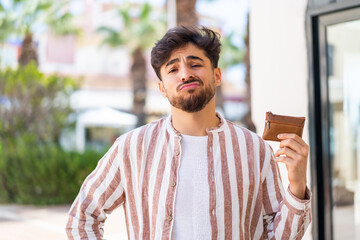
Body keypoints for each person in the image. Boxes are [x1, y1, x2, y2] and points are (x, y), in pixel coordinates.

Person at [66, 26, 311, 240]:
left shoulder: (254, 149)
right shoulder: (131, 147)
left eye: (195, 64)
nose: (185, 74)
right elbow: (81, 218)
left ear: (217, 76)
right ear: (162, 88)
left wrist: (297, 185)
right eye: (173, 70)